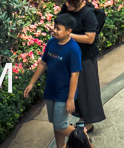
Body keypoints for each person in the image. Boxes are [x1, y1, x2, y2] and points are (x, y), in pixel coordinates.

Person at [23, 12, 82, 148]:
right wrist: (31, 83)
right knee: (56, 124)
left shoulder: (73, 49)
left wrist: (71, 98)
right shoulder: (51, 42)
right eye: (54, 27)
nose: (54, 31)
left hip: (64, 93)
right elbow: (43, 63)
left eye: (58, 29)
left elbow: (75, 75)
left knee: (60, 125)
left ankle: (83, 139)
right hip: (51, 91)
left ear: (69, 31)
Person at [58, 0, 105, 135]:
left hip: (85, 57)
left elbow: (90, 38)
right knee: (74, 89)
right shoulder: (67, 9)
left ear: (80, 0)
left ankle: (89, 122)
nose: (67, 5)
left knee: (87, 89)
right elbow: (59, 22)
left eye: (70, 2)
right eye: (66, 2)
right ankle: (81, 117)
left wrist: (68, 35)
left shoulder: (88, 14)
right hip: (70, 56)